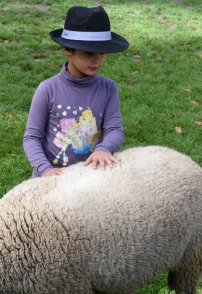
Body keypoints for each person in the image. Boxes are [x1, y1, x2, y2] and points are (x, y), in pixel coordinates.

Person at [23, 6, 129, 178]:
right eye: (88, 52)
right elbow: (32, 137)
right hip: (52, 179)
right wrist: (45, 169)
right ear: (67, 49)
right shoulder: (47, 89)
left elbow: (115, 129)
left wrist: (103, 149)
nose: (96, 59)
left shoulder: (108, 88)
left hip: (91, 176)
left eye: (102, 52)